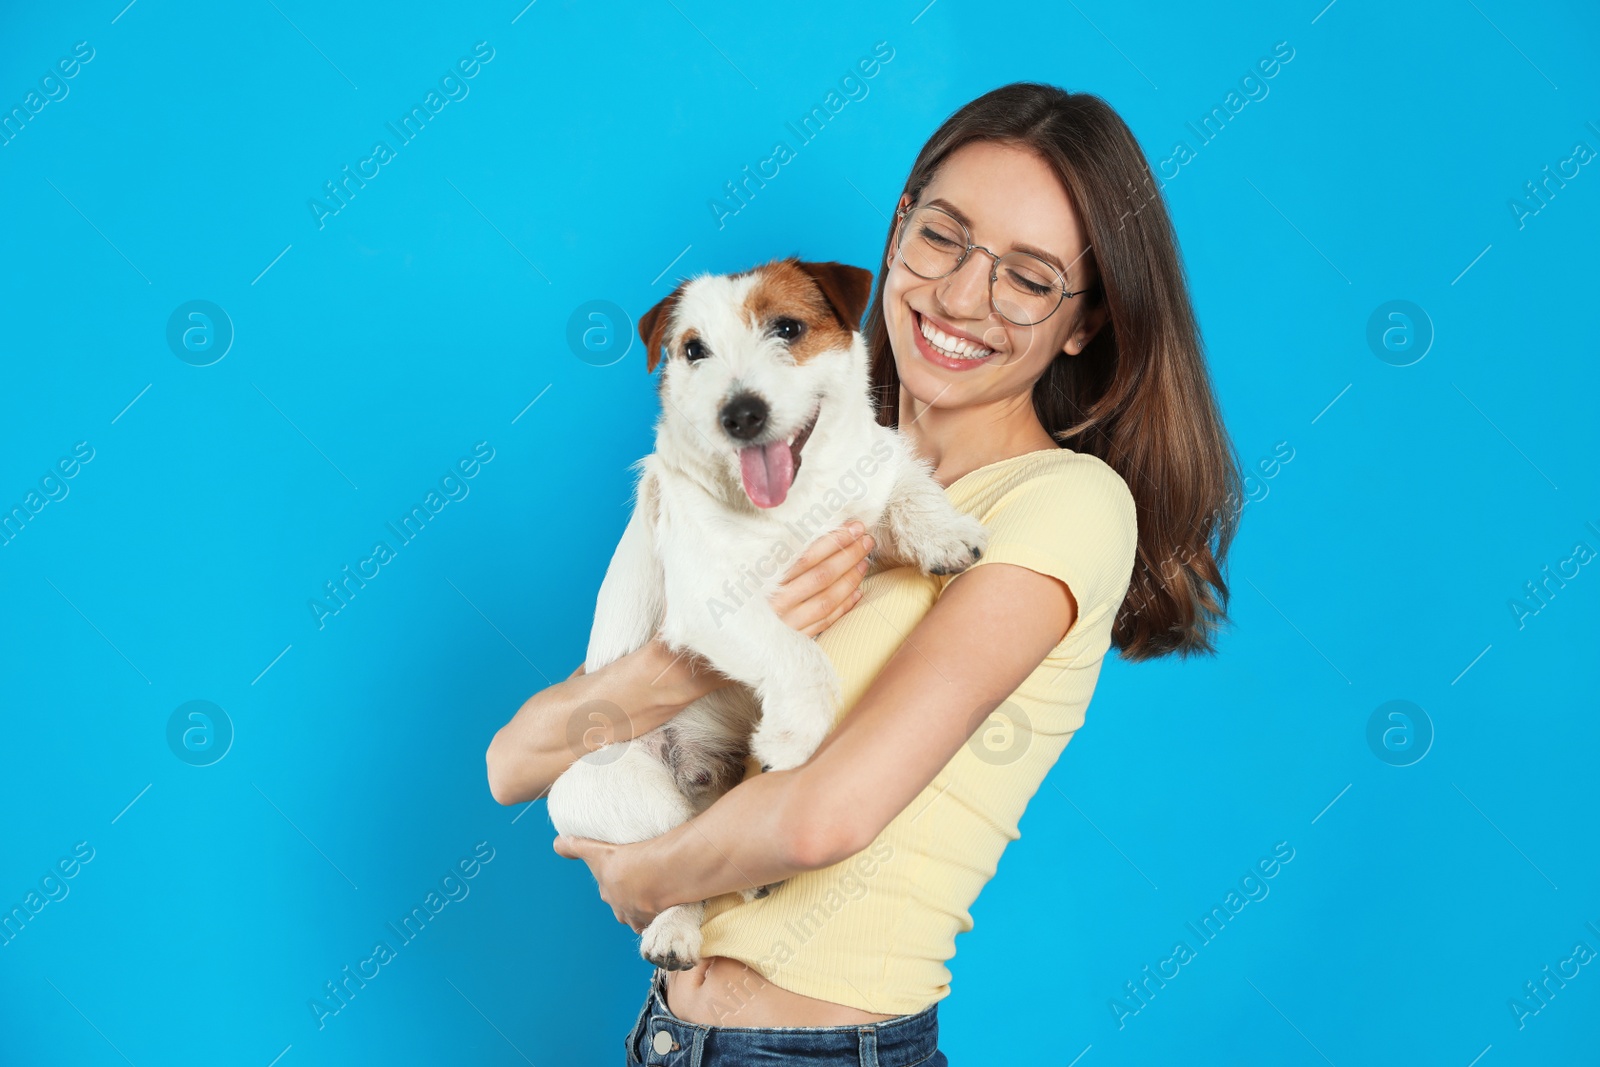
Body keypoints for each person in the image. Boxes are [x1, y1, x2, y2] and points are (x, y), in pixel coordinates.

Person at [485, 81, 1243, 1065]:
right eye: (944, 236)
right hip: (669, 1035)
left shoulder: (1064, 504)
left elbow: (824, 815)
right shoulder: (795, 471)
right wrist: (684, 668)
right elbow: (513, 763)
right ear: (898, 232)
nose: (962, 295)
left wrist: (645, 876)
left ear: (1082, 323)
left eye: (1027, 276)